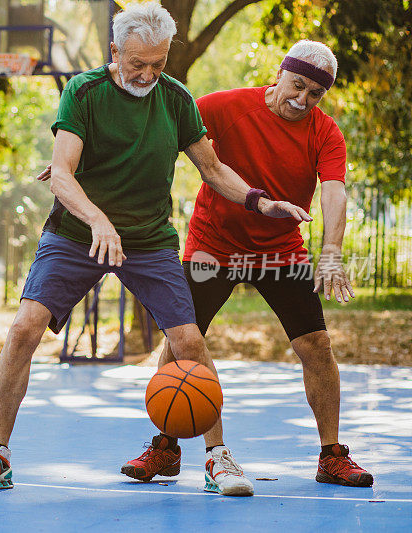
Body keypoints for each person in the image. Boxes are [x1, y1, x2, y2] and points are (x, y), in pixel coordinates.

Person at [0, 2, 310, 496]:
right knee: (24, 329)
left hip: (148, 239)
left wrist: (259, 201)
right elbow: (61, 174)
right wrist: (98, 220)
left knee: (190, 342)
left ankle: (217, 458)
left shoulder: (176, 99)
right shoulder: (85, 92)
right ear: (114, 51)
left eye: (158, 64)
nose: (147, 74)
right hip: (78, 235)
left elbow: (214, 169)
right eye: (137, 63)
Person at [126, 39, 372, 488]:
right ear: (280, 72)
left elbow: (333, 190)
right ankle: (165, 447)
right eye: (297, 85)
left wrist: (331, 252)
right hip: (213, 244)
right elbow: (162, 123)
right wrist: (83, 158)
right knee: (182, 340)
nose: (302, 99)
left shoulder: (325, 133)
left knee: (316, 345)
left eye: (315, 94)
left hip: (281, 249)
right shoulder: (226, 106)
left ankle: (331, 456)